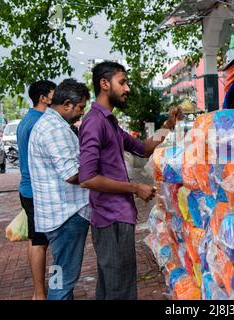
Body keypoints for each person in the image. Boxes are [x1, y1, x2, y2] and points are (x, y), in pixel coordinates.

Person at [79, 61, 182, 300]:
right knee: (120, 291)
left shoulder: (109, 122)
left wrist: (169, 125)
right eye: (122, 82)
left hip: (119, 216)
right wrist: (135, 187)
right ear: (105, 84)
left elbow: (143, 149)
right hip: (110, 218)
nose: (127, 89)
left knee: (114, 288)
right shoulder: (94, 122)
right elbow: (87, 177)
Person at [28, 79, 91, 300]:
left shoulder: (50, 124)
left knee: (60, 274)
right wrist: (98, 166)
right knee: (63, 283)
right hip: (67, 217)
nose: (82, 113)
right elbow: (72, 174)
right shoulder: (55, 129)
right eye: (80, 107)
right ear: (66, 104)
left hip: (57, 217)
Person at [17, 80, 56, 300]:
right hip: (36, 191)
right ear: (44, 98)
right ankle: (40, 294)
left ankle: (39, 292)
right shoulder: (39, 122)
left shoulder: (27, 120)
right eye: (54, 94)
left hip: (27, 189)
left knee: (36, 240)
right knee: (39, 242)